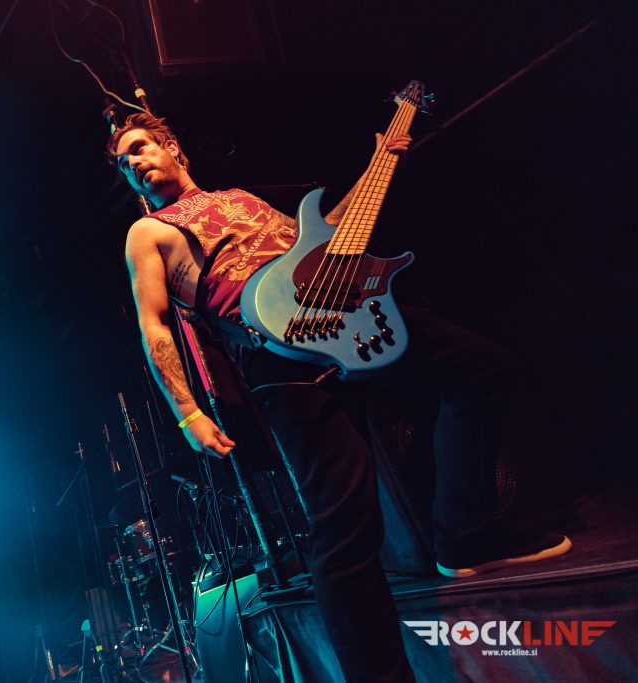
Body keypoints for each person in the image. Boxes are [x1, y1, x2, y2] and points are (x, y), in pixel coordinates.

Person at [109, 112, 571, 682]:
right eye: (123, 163)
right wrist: (187, 414)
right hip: (277, 352)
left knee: (482, 369)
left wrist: (381, 164)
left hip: (346, 315)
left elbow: (323, 236)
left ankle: (463, 538)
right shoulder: (148, 232)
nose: (133, 163)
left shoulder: (239, 198)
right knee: (345, 527)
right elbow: (153, 323)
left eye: (139, 148)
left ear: (173, 147)